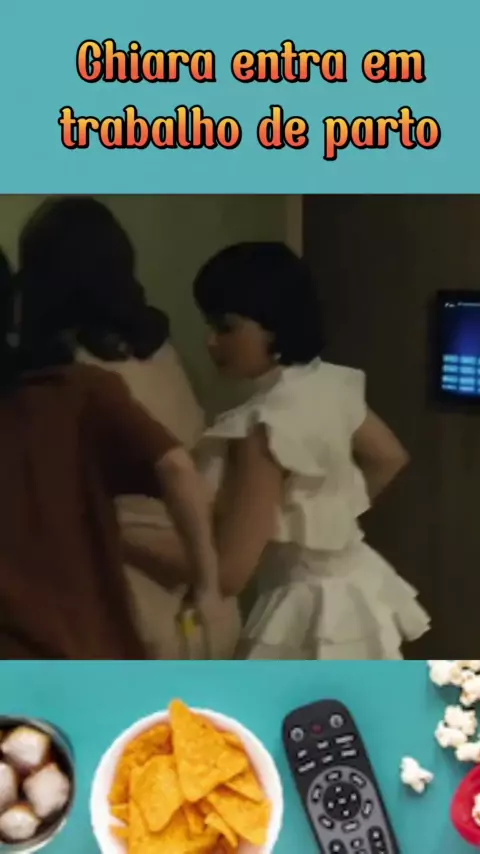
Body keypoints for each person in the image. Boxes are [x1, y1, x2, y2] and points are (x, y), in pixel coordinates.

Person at [156, 241, 430, 659]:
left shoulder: (262, 426)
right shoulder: (326, 384)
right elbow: (387, 457)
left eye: (226, 327)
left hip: (304, 607)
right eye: (209, 326)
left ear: (273, 325)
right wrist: (326, 519)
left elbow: (229, 572)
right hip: (356, 586)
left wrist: (120, 542)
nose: (210, 342)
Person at [15, 196, 239, 659]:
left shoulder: (71, 380)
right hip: (205, 607)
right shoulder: (163, 355)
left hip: (130, 604)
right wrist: (207, 583)